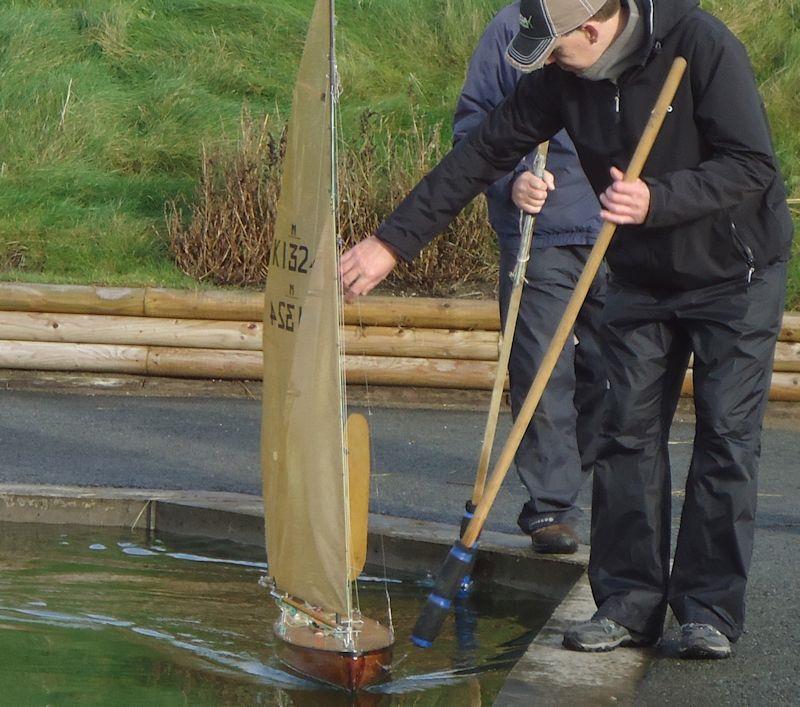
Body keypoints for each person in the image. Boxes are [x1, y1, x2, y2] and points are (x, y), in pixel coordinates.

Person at [340, 0, 793, 660]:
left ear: (593, 29)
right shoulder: (564, 77)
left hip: (735, 272)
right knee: (626, 431)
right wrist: (390, 243)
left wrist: (659, 199)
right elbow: (482, 152)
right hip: (640, 273)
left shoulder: (700, 43)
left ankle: (708, 608)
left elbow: (752, 165)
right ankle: (628, 602)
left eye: (554, 48)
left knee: (725, 434)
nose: (547, 62)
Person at [452, 2, 606, 554]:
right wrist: (513, 180)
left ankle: (583, 481)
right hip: (542, 234)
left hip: (622, 231)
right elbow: (472, 127)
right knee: (541, 371)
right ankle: (551, 506)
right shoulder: (510, 31)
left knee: (616, 375)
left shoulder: (624, 26)